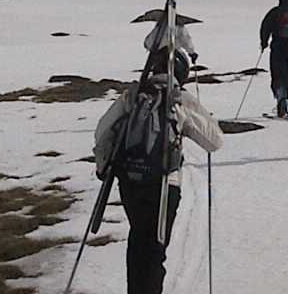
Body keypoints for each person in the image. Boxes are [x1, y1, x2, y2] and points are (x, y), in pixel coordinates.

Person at [93, 47, 223, 294]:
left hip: (130, 180)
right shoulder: (179, 99)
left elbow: (103, 130)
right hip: (164, 184)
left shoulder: (133, 94)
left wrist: (103, 165)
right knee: (155, 251)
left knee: (138, 241)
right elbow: (214, 141)